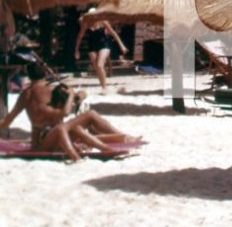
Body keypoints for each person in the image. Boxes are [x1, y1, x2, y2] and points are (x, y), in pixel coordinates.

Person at [0, 63, 140, 161]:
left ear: (29, 77)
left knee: (79, 131)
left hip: (40, 139)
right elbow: (68, 108)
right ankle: (121, 137)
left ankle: (122, 138)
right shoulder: (52, 89)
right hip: (50, 137)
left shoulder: (25, 95)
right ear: (44, 74)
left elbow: (8, 121)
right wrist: (75, 95)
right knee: (88, 116)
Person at [75, 8, 128, 93]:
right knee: (97, 67)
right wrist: (76, 50)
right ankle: (103, 85)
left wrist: (122, 46)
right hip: (92, 45)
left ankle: (104, 88)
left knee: (100, 65)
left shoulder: (103, 21)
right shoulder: (86, 24)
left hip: (104, 44)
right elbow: (80, 37)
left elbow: (113, 33)